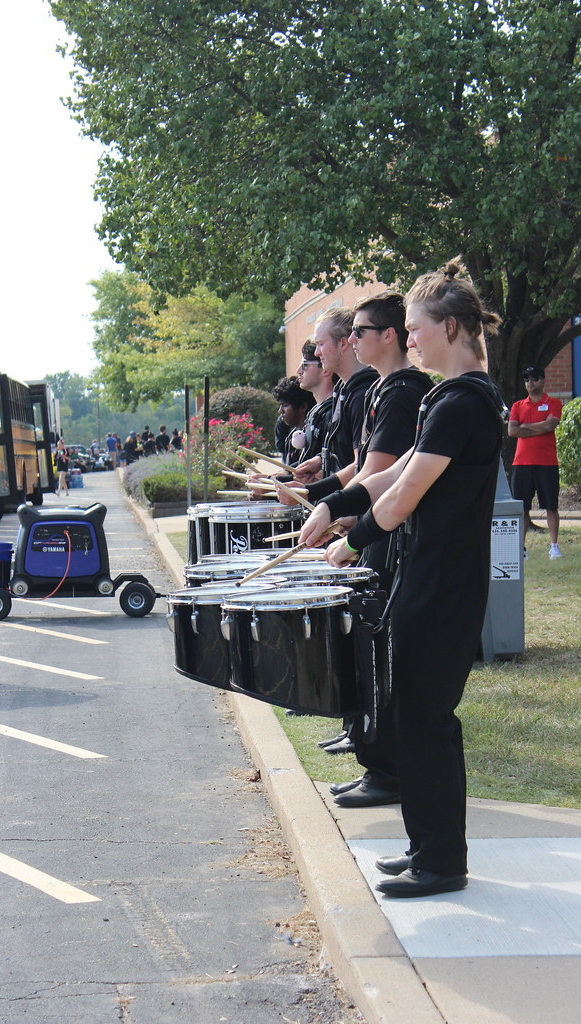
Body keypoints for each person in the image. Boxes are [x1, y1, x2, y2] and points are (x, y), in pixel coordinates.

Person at [300, 261, 506, 897]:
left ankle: (440, 863)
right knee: (418, 717)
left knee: (423, 719)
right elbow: (393, 475)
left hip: (443, 584)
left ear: (449, 327)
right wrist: (337, 506)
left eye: (415, 329)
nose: (409, 339)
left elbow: (407, 491)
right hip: (433, 578)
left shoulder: (462, 402)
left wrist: (353, 540)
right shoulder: (452, 400)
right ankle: (429, 847)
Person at [295, 292, 434, 788]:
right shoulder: (384, 390)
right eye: (349, 333)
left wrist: (339, 512)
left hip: (389, 538)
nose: (351, 342)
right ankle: (371, 748)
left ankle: (383, 763)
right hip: (372, 526)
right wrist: (323, 498)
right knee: (369, 645)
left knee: (379, 647)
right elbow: (370, 469)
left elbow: (383, 474)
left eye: (360, 332)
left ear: (387, 336)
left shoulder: (404, 392)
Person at [292, 307, 378, 483]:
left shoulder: (361, 394)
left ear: (343, 344)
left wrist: (313, 493)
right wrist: (321, 461)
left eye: (321, 344)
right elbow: (343, 455)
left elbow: (360, 467)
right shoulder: (343, 391)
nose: (317, 352)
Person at [508, 365, 563, 558]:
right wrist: (540, 427)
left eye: (534, 378)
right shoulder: (517, 406)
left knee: (551, 506)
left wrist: (526, 426)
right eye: (526, 379)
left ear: (542, 380)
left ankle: (554, 546)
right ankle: (521, 549)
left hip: (547, 462)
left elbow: (551, 425)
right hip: (521, 463)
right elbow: (512, 431)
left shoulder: (554, 403)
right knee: (521, 507)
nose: (530, 383)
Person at [271, 376, 316, 466]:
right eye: (280, 405)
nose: (280, 410)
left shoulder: (315, 437)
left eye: (285, 405)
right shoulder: (291, 436)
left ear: (302, 407)